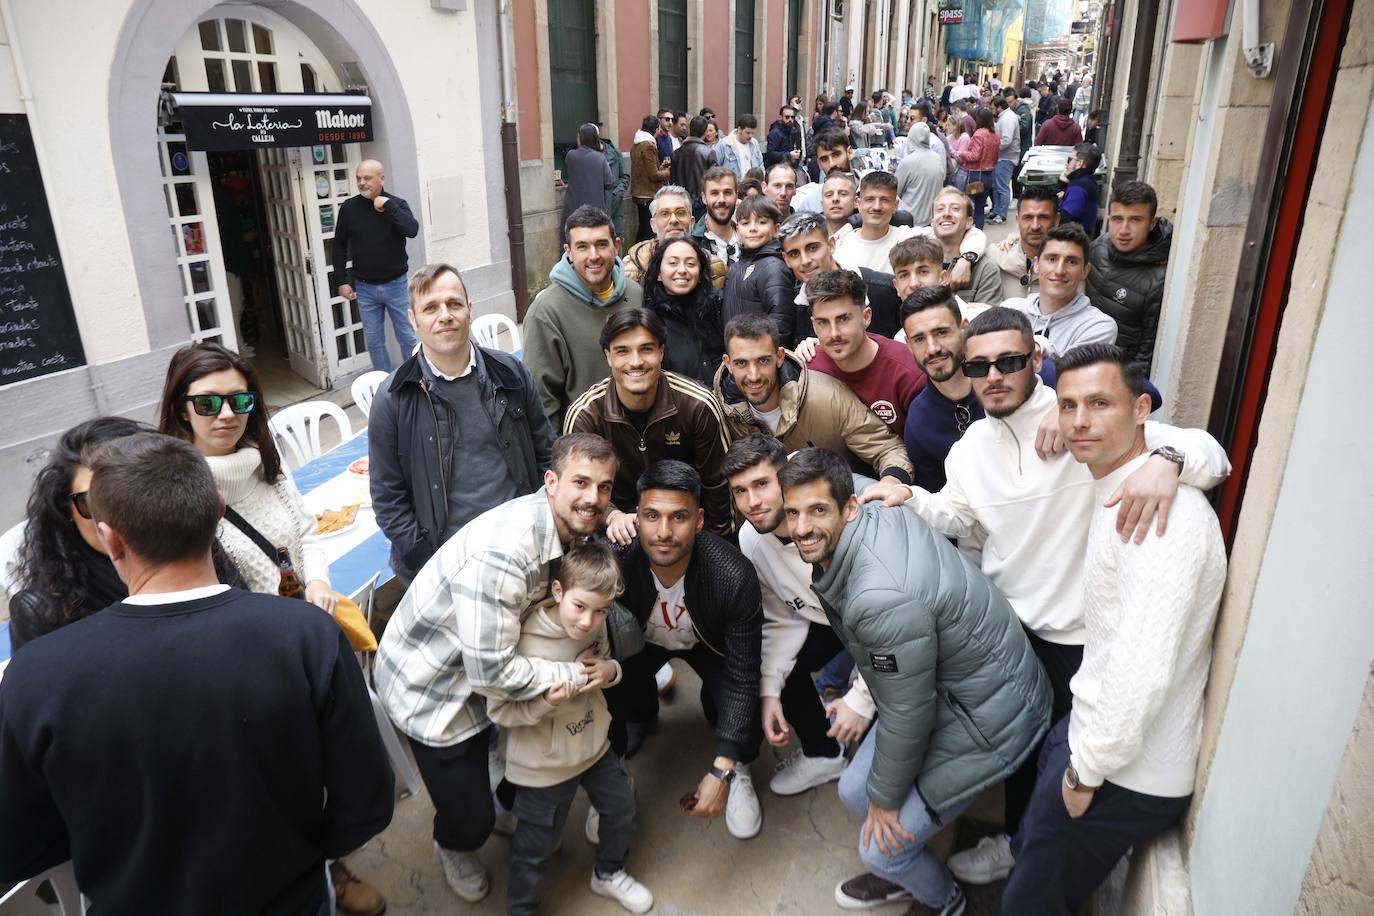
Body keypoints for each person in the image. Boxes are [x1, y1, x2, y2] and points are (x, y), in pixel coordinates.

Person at [864, 306, 1230, 887]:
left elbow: (1210, 452)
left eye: (1010, 361)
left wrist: (1168, 461)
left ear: (1037, 360)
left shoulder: (1079, 422)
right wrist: (908, 496)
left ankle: (1030, 849)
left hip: (1081, 638)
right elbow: (960, 513)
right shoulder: (969, 449)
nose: (994, 376)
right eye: (979, 365)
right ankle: (1017, 840)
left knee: (1065, 758)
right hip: (1013, 629)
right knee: (1019, 751)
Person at [0, 433, 394, 913]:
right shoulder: (307, 635)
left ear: (111, 537)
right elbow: (367, 799)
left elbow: (22, 842)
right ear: (220, 512)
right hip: (293, 895)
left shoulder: (34, 674)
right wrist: (310, 851)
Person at [777, 447, 1050, 916]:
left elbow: (907, 712)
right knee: (850, 790)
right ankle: (905, 861)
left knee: (879, 847)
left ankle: (945, 900)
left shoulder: (878, 597)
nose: (801, 528)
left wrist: (886, 803)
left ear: (848, 507)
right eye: (793, 512)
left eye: (817, 511)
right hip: (954, 682)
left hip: (990, 713)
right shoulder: (866, 497)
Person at [1002, 344, 1226, 914]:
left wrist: (1085, 772)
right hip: (1094, 733)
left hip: (1126, 771)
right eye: (1069, 405)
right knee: (1031, 853)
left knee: (1030, 904)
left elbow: (1141, 669)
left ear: (1142, 409)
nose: (1079, 421)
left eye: (1100, 403)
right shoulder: (1129, 478)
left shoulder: (1159, 519)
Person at [375, 433, 619, 902]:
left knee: (509, 766)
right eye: (581, 482)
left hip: (484, 673)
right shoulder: (507, 554)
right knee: (472, 819)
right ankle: (453, 844)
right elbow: (491, 675)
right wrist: (576, 676)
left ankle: (490, 803)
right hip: (433, 690)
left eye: (604, 487)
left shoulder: (567, 529)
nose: (593, 498)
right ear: (551, 482)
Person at [489, 541, 654, 915]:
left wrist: (612, 671)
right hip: (542, 768)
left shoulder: (595, 625)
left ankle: (609, 873)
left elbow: (607, 664)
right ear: (558, 591)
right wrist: (547, 701)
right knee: (534, 849)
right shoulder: (523, 642)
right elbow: (501, 712)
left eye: (600, 611)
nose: (586, 622)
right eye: (579, 607)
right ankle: (522, 908)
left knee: (621, 809)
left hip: (594, 747)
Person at [603, 461, 766, 839]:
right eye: (651, 516)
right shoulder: (616, 561)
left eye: (678, 517)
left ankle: (738, 768)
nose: (663, 532)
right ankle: (618, 771)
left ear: (699, 520)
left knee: (739, 706)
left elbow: (744, 674)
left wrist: (724, 765)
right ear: (636, 518)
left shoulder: (732, 574)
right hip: (640, 648)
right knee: (613, 693)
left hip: (708, 645)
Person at [369, 263, 554, 583]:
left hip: (521, 549)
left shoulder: (510, 373)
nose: (445, 315)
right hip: (445, 566)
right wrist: (428, 562)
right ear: (412, 319)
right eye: (430, 308)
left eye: (454, 304)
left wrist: (543, 526)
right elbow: (387, 499)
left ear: (469, 310)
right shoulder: (394, 398)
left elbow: (547, 453)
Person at [7, 417, 244, 653]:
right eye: (92, 501)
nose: (116, 513)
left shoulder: (195, 550)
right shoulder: (43, 609)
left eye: (136, 494)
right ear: (65, 510)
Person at [722, 434, 860, 797]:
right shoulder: (750, 539)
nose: (752, 502)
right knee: (772, 666)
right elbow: (781, 617)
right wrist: (770, 691)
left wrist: (862, 697)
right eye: (739, 491)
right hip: (830, 621)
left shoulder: (830, 503)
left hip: (882, 625)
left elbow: (894, 625)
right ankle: (824, 754)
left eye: (761, 484)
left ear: (786, 476)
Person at [157, 342, 332, 612]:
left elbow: (306, 531)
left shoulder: (266, 460)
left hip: (306, 625)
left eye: (239, 400)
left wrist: (318, 582)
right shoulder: (172, 498)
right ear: (182, 409)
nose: (227, 414)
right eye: (207, 402)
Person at [565, 308, 732, 540]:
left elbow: (719, 491)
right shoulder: (586, 415)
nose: (636, 362)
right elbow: (577, 494)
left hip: (685, 528)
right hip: (617, 532)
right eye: (622, 351)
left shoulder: (697, 405)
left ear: (661, 352)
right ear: (608, 356)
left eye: (646, 349)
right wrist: (612, 516)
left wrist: (717, 554)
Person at [713, 312, 914, 483]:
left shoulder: (826, 396)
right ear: (728, 363)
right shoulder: (718, 412)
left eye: (763, 360)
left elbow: (889, 449)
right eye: (741, 364)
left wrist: (889, 484)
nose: (754, 375)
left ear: (780, 356)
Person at [524, 205, 644, 430]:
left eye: (601, 244)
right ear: (569, 251)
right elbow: (541, 400)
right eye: (582, 247)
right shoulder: (546, 311)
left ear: (616, 246)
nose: (594, 256)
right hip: (583, 444)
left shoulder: (635, 294)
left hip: (637, 434)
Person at [802, 269, 926, 435]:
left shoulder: (908, 373)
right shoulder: (808, 367)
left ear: (866, 317)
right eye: (823, 322)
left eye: (843, 319)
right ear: (813, 325)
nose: (834, 333)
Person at [333, 158, 419, 372]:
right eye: (359, 178)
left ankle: (417, 381)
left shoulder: (396, 204)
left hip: (396, 285)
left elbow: (412, 230)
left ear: (381, 178)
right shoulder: (349, 208)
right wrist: (342, 280)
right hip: (365, 288)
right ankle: (385, 383)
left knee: (407, 337)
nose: (362, 182)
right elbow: (339, 246)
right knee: (374, 342)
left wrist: (388, 206)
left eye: (367, 178)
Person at [1086, 180, 1174, 372]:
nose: (1124, 230)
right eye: (1117, 219)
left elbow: (1147, 352)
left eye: (1135, 220)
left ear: (1152, 223)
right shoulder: (1098, 246)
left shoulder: (1160, 280)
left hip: (1118, 375)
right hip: (1082, 360)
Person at [778, 211, 903, 339]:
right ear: (786, 259)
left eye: (812, 248)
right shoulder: (790, 307)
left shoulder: (885, 290)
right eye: (794, 254)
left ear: (831, 245)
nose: (805, 261)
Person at [1004, 223, 1117, 356]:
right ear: (1036, 265)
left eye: (1072, 262)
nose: (1059, 270)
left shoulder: (1098, 326)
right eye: (1052, 259)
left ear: (1085, 271)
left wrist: (1042, 346)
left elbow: (1067, 374)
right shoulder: (1010, 310)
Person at [641, 236, 727, 387]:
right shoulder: (650, 321)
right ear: (659, 273)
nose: (682, 270)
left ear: (700, 273)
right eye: (673, 263)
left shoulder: (718, 306)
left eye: (690, 264)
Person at [721, 195, 798, 347]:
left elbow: (781, 325)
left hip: (759, 357)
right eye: (745, 223)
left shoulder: (774, 267)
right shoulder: (737, 266)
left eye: (762, 222)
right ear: (737, 230)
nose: (753, 228)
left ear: (776, 229)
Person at [622, 184, 726, 289]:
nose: (673, 220)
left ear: (692, 222)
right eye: (664, 213)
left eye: (680, 213)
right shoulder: (630, 268)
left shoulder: (714, 267)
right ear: (653, 225)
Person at [930, 188, 1003, 304]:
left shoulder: (985, 270)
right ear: (932, 222)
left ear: (969, 222)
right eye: (940, 209)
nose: (946, 213)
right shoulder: (917, 262)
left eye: (955, 209)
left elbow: (988, 319)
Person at [834, 171, 916, 273]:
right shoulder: (842, 245)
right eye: (870, 199)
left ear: (896, 205)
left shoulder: (908, 238)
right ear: (858, 203)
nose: (877, 207)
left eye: (884, 200)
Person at [994, 185, 1060, 302]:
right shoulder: (996, 256)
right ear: (1017, 219)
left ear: (1056, 220)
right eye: (1028, 217)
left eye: (1043, 217)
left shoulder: (1069, 267)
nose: (1035, 226)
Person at [561, 124, 614, 243]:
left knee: (572, 242)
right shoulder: (600, 158)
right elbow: (610, 182)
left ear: (581, 138)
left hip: (572, 209)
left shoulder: (570, 156)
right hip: (596, 210)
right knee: (594, 241)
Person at [955, 107, 1000, 229]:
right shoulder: (995, 135)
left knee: (967, 206)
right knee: (979, 208)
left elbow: (974, 156)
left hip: (976, 175)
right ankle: (978, 234)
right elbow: (996, 156)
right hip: (989, 174)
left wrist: (962, 153)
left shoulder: (979, 134)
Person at [894, 123, 945, 226]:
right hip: (932, 218)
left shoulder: (908, 162)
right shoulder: (937, 158)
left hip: (911, 220)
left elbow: (895, 190)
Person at [631, 115, 671, 244]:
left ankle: (637, 255)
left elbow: (645, 170)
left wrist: (660, 168)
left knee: (643, 228)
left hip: (640, 192)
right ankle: (641, 257)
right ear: (656, 128)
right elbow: (653, 175)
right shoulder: (648, 145)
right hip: (647, 194)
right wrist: (667, 172)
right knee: (647, 231)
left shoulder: (637, 144)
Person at [691, 166, 741, 268]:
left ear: (736, 195)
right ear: (704, 198)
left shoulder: (750, 236)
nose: (721, 200)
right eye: (714, 193)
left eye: (727, 192)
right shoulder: (692, 243)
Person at [792, 128, 852, 213]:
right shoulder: (810, 204)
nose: (831, 164)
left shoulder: (870, 190)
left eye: (836, 155)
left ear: (849, 153)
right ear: (819, 164)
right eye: (824, 159)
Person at [671, 115, 717, 219]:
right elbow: (715, 181)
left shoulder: (675, 154)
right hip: (701, 204)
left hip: (680, 201)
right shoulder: (709, 153)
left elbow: (672, 181)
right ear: (705, 132)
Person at [1057, 142, 1102, 232]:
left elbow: (1064, 222)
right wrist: (1062, 183)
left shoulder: (1078, 188)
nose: (1066, 164)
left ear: (1080, 163)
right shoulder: (1086, 183)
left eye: (1069, 160)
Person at [991, 95, 1021, 224]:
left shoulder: (1007, 119)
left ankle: (1001, 214)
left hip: (1006, 157)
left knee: (1002, 187)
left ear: (999, 108)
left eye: (992, 108)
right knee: (997, 186)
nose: (991, 110)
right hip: (1004, 157)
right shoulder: (1005, 117)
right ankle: (997, 211)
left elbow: (1006, 140)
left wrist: (994, 149)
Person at [601, 131, 632, 243]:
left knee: (615, 243)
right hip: (598, 208)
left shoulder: (615, 153)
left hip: (615, 207)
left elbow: (625, 177)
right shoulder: (589, 157)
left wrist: (616, 194)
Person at [715, 113, 764, 180]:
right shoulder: (725, 144)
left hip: (752, 186)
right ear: (739, 129)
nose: (750, 136)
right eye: (748, 133)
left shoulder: (754, 143)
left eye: (752, 133)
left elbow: (760, 165)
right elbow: (715, 169)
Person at [820, 170, 860, 236]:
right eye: (829, 195)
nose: (835, 199)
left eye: (843, 194)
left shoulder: (868, 234)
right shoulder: (810, 234)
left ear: (856, 202)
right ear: (822, 204)